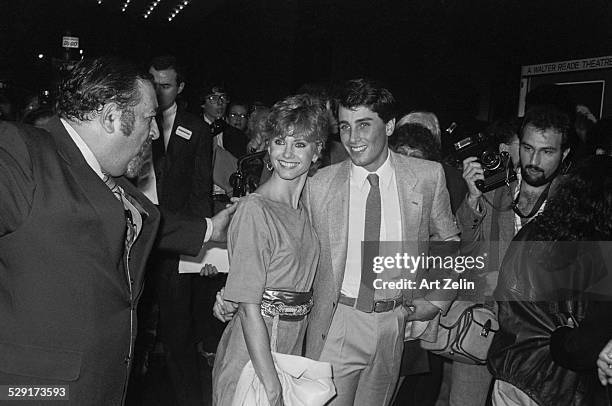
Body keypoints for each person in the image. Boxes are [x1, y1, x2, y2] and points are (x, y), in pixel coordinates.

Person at [216, 78, 459, 406]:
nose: (353, 138)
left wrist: (437, 301)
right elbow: (274, 241)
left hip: (393, 321)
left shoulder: (427, 176)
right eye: (345, 126)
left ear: (388, 126)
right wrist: (234, 293)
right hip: (336, 321)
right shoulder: (319, 185)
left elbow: (449, 239)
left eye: (363, 125)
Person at [0, 57, 158, 405]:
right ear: (112, 116)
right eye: (149, 118)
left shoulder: (103, 175)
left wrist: (209, 228)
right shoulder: (20, 150)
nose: (155, 132)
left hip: (101, 383)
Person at [212, 94, 327, 405]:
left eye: (300, 144)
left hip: (290, 351)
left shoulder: (306, 210)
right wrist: (273, 388)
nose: (287, 153)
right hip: (254, 357)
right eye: (279, 141)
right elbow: (249, 308)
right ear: (268, 146)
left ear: (316, 152)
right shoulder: (255, 209)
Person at [455, 105, 571, 406]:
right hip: (485, 326)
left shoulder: (573, 205)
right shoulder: (494, 190)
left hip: (537, 344)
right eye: (529, 148)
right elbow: (464, 250)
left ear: (565, 154)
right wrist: (472, 197)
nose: (534, 161)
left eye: (547, 152)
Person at [489, 155, 612, 406]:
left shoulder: (536, 231)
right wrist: (566, 339)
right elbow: (579, 345)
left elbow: (508, 299)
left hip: (514, 371)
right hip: (559, 385)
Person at [135, 54, 214, 406]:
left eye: (166, 85)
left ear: (180, 87)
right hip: (136, 237)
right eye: (153, 84)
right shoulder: (135, 119)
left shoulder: (196, 128)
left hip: (176, 241)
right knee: (133, 325)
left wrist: (199, 252)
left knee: (178, 329)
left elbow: (201, 192)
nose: (159, 91)